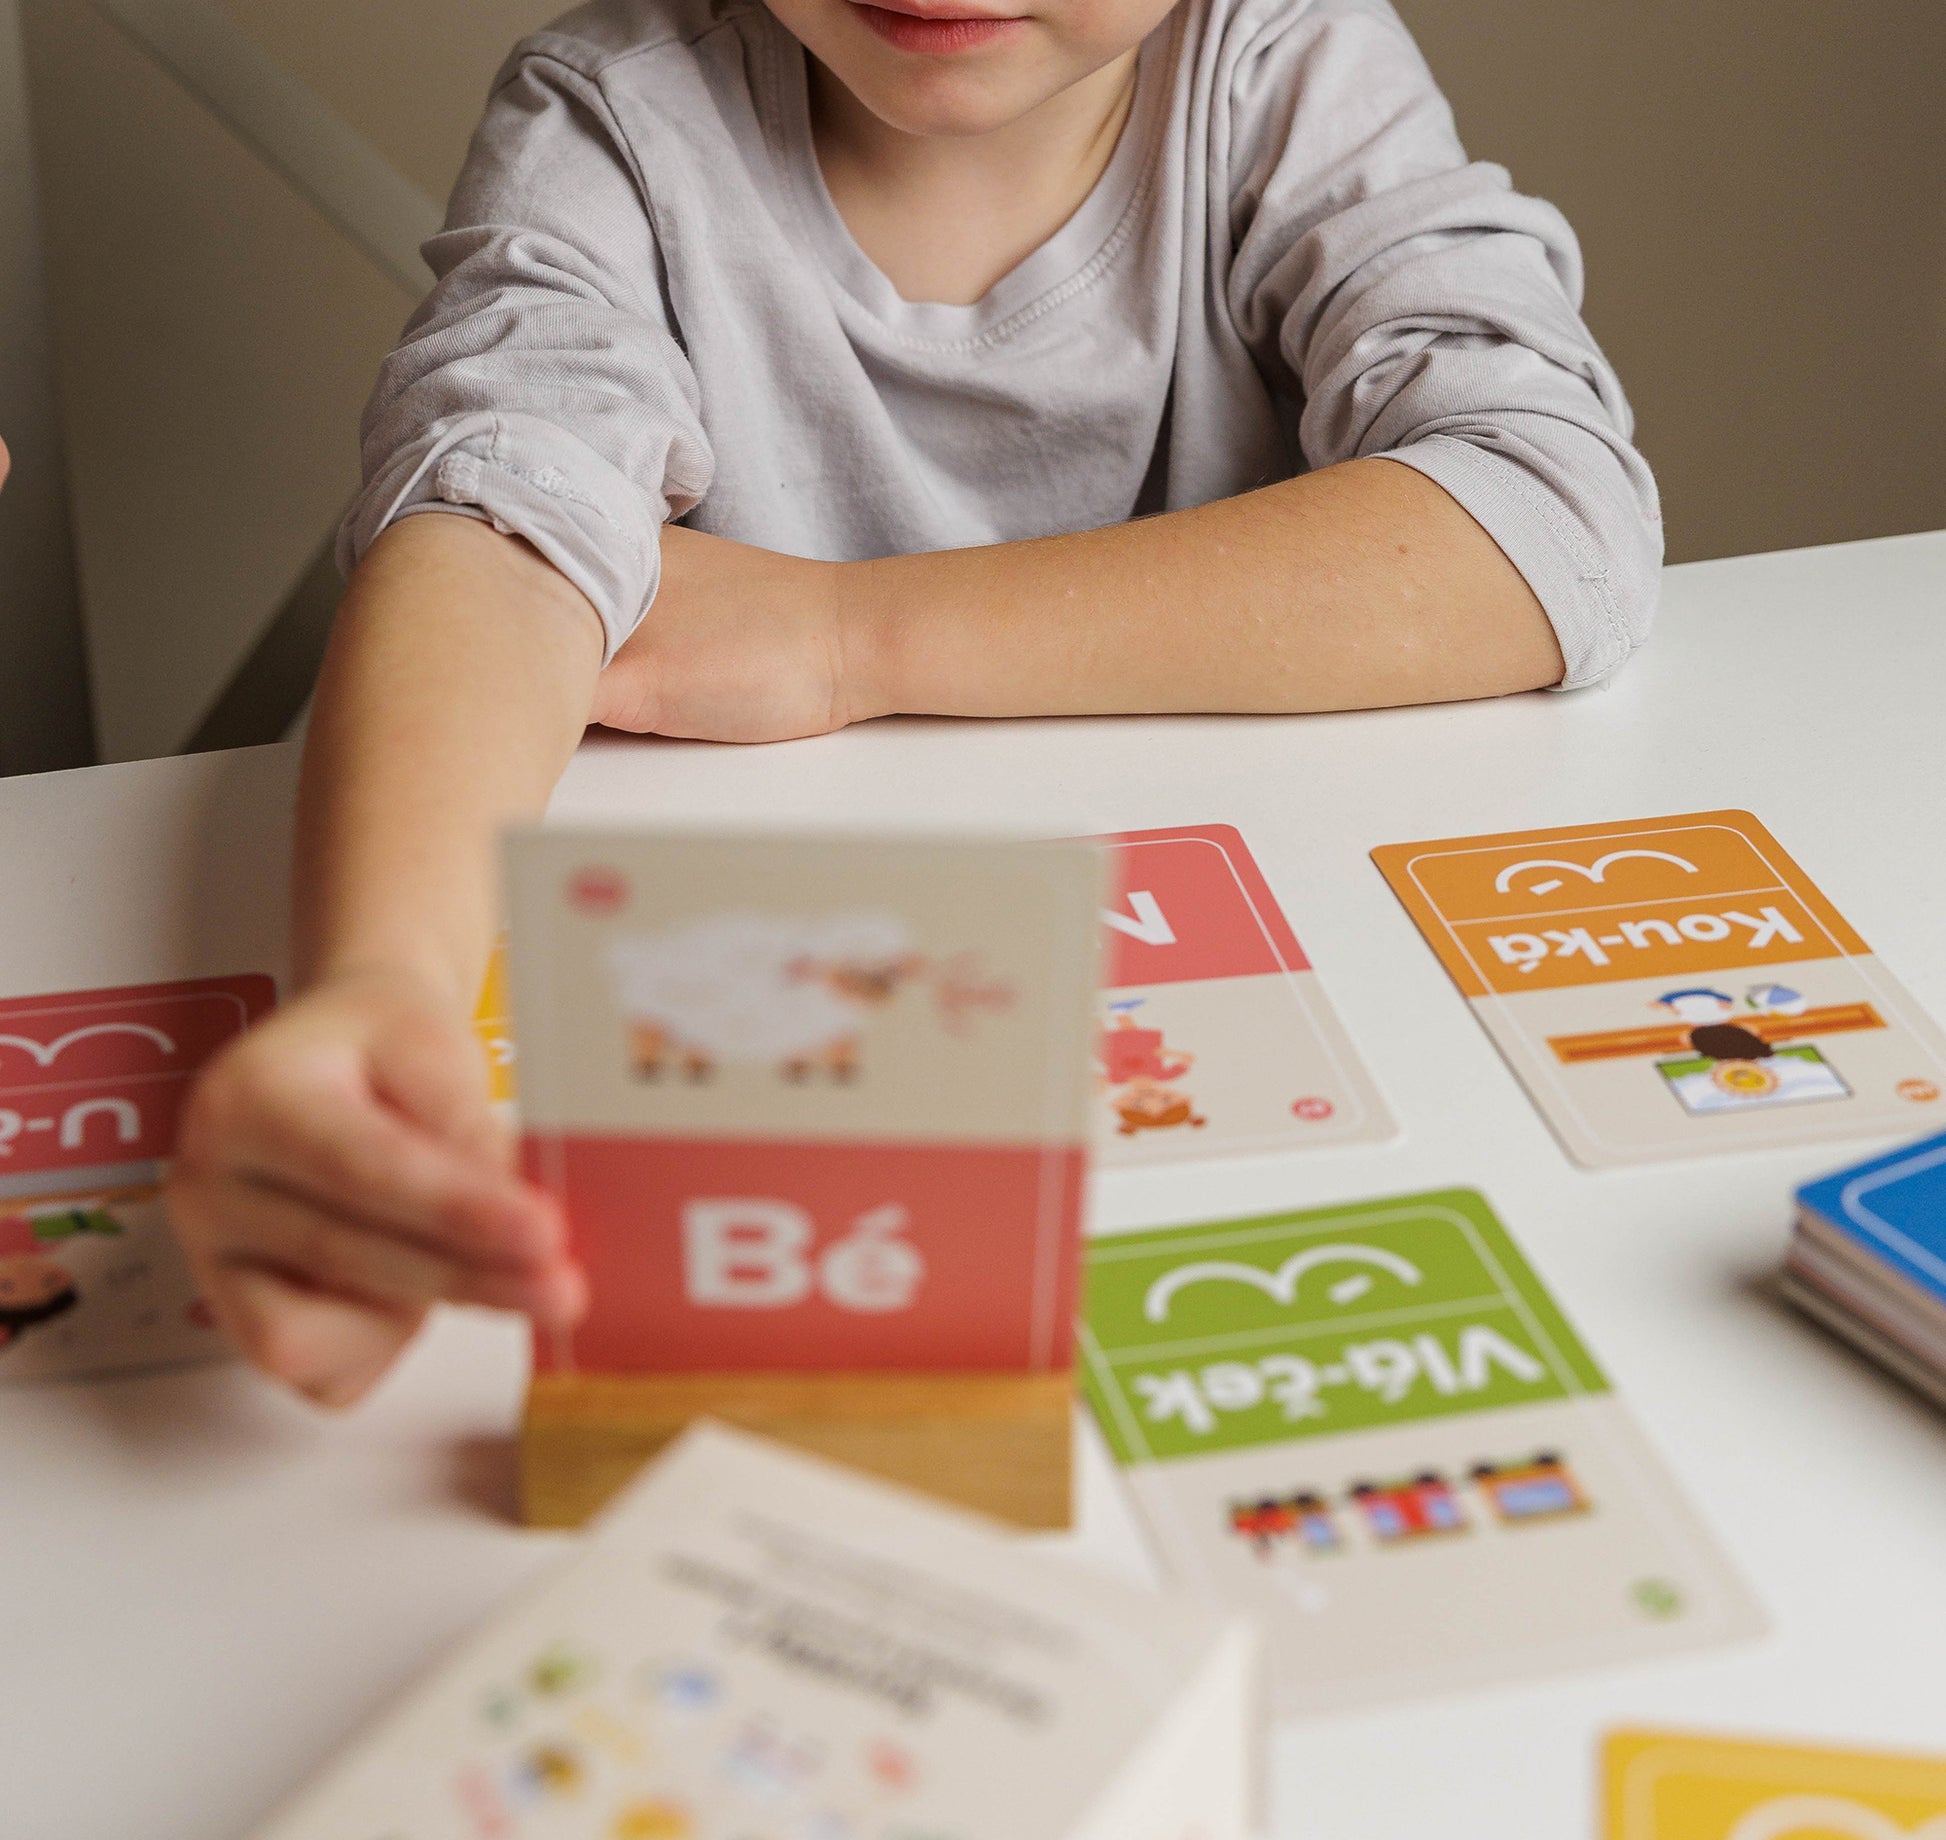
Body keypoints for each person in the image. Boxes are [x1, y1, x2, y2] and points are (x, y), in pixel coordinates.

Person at [167, 0, 1660, 1406]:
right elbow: (495, 524)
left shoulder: (1283, 62)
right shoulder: (618, 111)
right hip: (786, 1037)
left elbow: (1547, 519)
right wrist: (381, 987)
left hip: (1219, 1038)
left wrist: (844, 636)